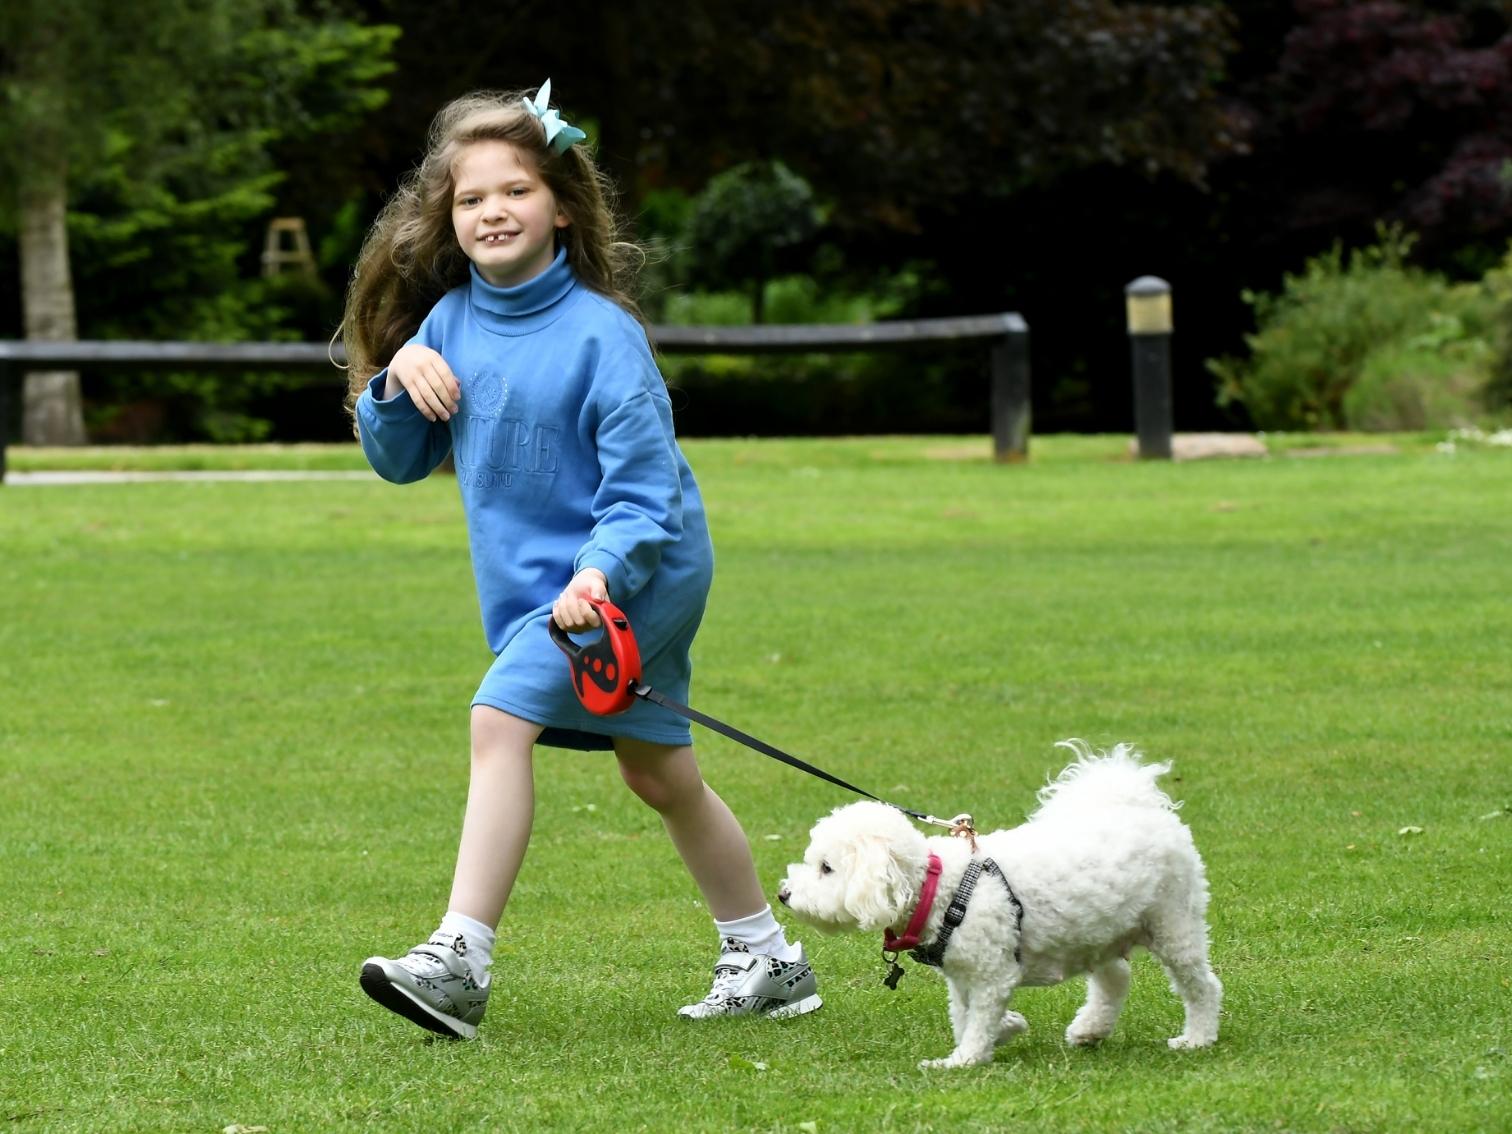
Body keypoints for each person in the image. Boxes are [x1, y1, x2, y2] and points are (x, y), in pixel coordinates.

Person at [340, 82, 820, 1040]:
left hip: (637, 570)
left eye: (514, 190)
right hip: (544, 589)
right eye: (472, 199)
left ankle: (458, 962)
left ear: (560, 203)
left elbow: (644, 499)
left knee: (497, 718)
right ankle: (767, 958)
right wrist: (395, 382)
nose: (493, 212)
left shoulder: (605, 337)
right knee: (659, 775)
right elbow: (401, 462)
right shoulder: (447, 325)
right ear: (449, 217)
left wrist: (599, 576)